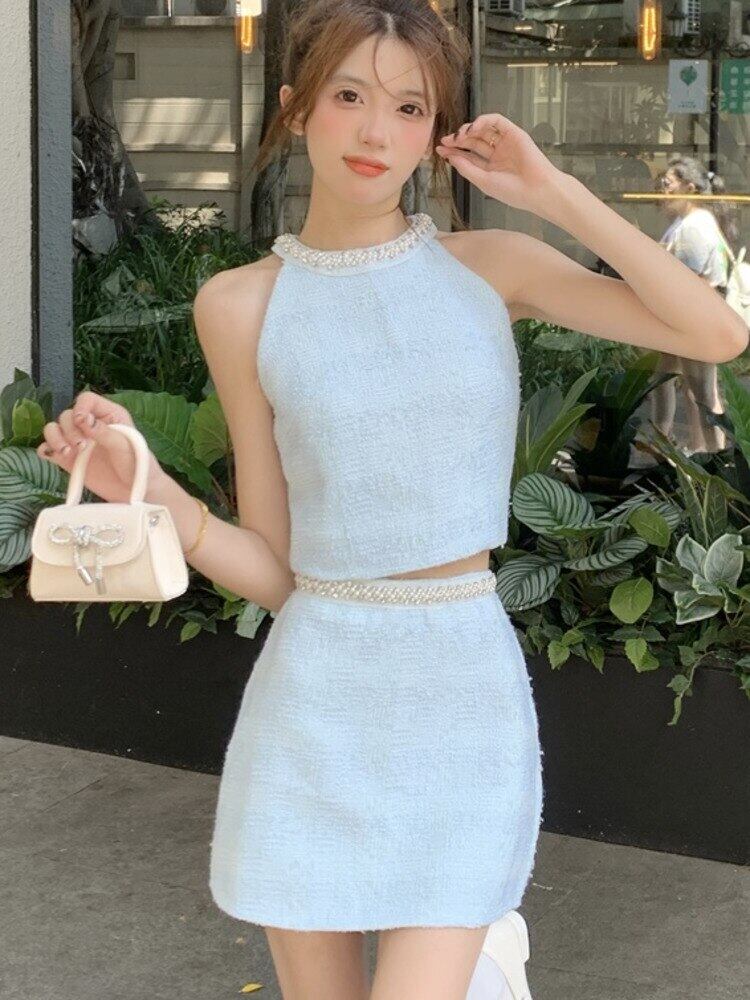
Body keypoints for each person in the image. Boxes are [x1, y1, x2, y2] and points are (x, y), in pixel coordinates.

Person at [36, 2, 747, 998]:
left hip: (460, 697)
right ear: (296, 110)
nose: (377, 130)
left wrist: (551, 191)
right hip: (314, 710)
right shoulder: (239, 306)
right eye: (349, 95)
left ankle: (485, 962)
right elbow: (279, 569)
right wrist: (151, 492)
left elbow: (715, 334)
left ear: (434, 130)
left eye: (409, 107)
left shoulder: (488, 268)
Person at [645, 155, 739, 457]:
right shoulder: (689, 222)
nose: (663, 190)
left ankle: (714, 453)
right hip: (689, 317)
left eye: (669, 183)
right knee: (672, 381)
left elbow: (691, 279)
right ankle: (682, 444)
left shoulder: (695, 225)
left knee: (700, 390)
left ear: (689, 187)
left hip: (694, 318)